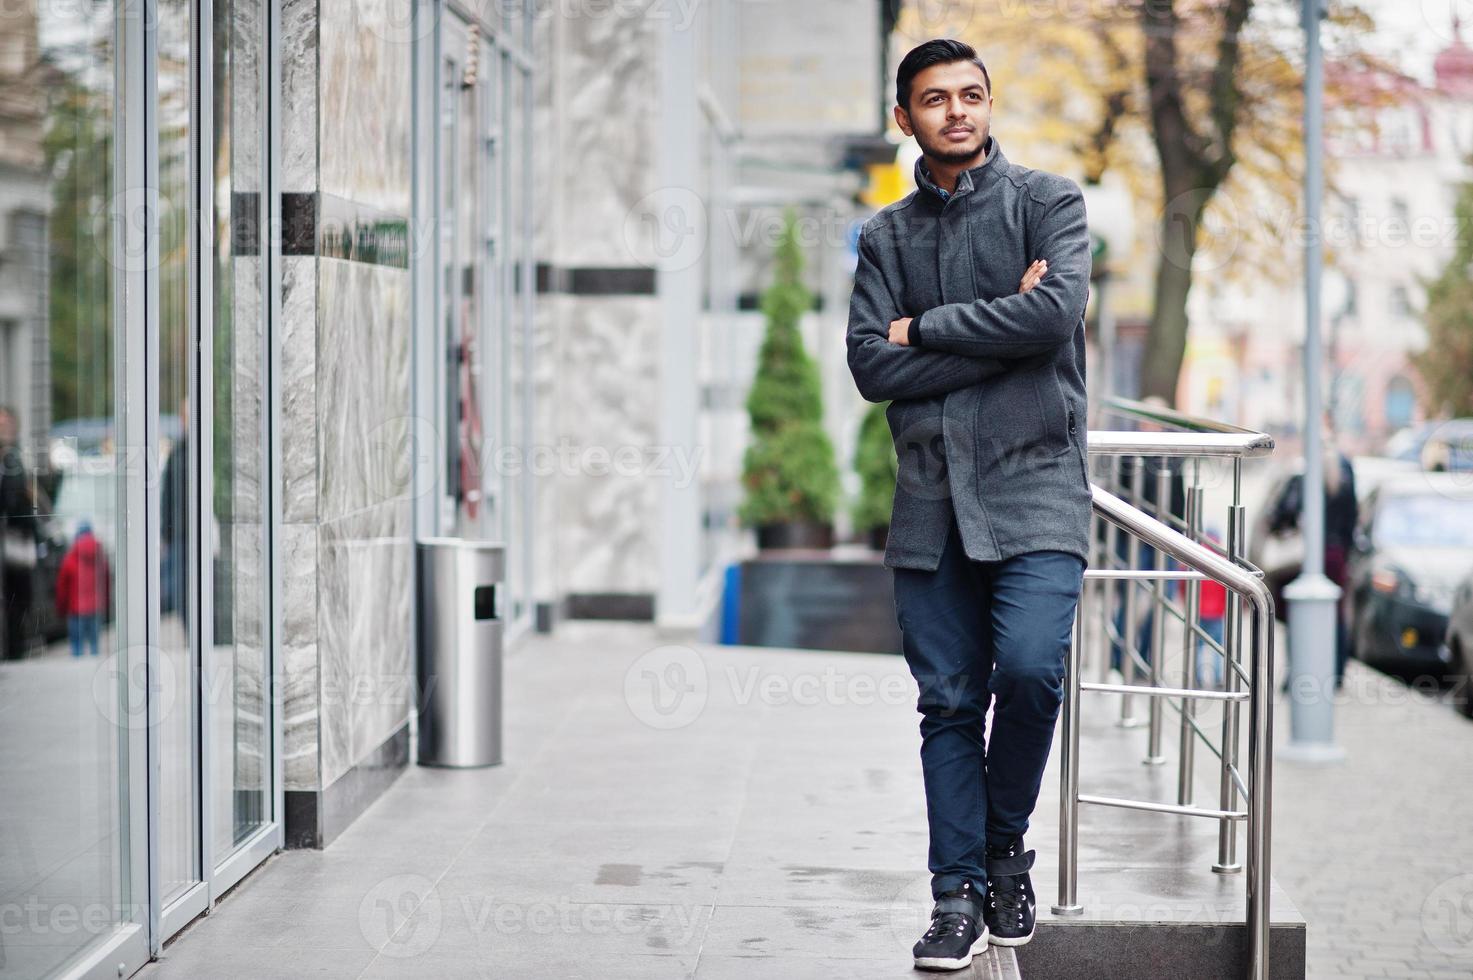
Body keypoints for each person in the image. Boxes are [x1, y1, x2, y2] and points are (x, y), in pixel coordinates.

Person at [846, 39, 1092, 969]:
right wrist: (1004, 327)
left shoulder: (1049, 203)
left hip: (1036, 486)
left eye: (971, 94)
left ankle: (1003, 852)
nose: (957, 110)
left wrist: (929, 330)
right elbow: (873, 365)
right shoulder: (884, 237)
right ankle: (955, 897)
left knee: (1030, 670)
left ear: (989, 105)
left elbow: (1052, 317)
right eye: (934, 99)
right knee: (947, 701)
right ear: (903, 117)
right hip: (929, 498)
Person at [1267, 426, 1356, 688]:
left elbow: (1280, 514)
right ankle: (1336, 672)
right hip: (1336, 555)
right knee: (1335, 613)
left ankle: (1297, 672)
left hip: (1306, 554)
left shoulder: (1302, 475)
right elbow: (1352, 518)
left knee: (1299, 611)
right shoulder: (1344, 473)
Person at [0, 406, 39, 661]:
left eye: (7, 424)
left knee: (19, 598)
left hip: (17, 539)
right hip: (10, 537)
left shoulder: (15, 458)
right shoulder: (9, 460)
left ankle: (16, 650)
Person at [55, 520, 109, 658]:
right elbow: (106, 584)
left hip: (76, 611)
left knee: (77, 648)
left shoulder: (70, 558)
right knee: (95, 647)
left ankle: (78, 676)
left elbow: (62, 588)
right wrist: (106, 604)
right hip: (96, 609)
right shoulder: (101, 558)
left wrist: (61, 608)